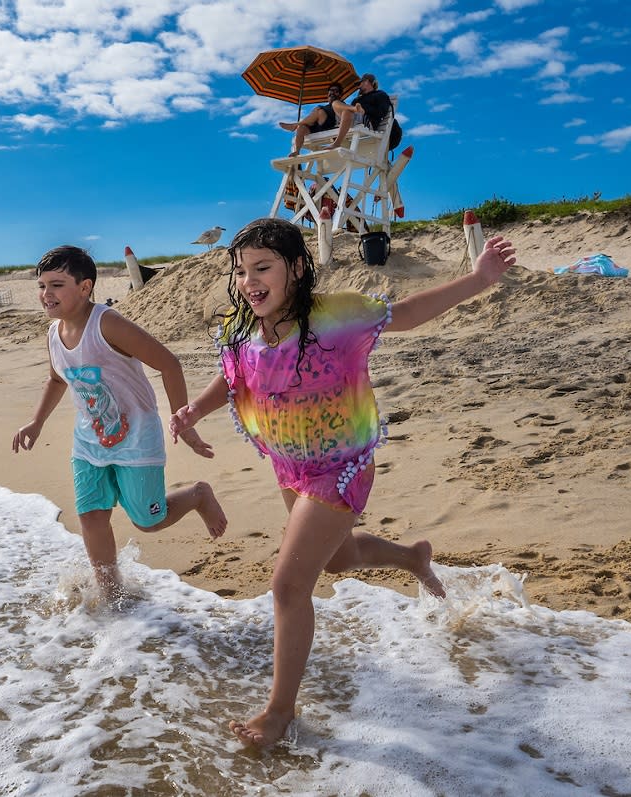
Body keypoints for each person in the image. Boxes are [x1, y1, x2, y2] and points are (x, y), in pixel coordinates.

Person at [169, 217, 519, 749]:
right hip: (289, 463)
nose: (249, 281)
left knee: (288, 585)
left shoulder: (337, 316)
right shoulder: (240, 328)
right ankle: (410, 558)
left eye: (263, 268)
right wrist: (194, 407)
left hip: (342, 465)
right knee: (335, 559)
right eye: (241, 271)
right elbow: (233, 377)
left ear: (297, 268)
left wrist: (479, 279)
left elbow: (407, 313)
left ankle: (280, 710)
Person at [12, 245, 229, 603]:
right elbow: (56, 379)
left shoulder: (106, 323)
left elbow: (170, 364)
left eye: (56, 285)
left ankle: (197, 495)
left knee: (148, 520)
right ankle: (111, 592)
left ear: (85, 288)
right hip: (89, 443)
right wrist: (36, 423)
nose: (46, 294)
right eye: (41, 286)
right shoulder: (53, 333)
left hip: (137, 440)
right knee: (92, 516)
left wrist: (184, 423)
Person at [278, 83, 355, 155]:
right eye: (331, 90)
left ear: (340, 95)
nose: (333, 93)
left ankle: (295, 125)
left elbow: (343, 116)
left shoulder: (339, 104)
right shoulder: (323, 107)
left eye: (336, 91)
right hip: (317, 126)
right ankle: (297, 151)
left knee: (319, 111)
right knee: (301, 128)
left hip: (329, 125)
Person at [349, 73, 401, 151]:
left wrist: (363, 109)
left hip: (367, 123)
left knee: (347, 110)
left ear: (367, 82)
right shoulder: (356, 100)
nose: (358, 87)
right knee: (338, 106)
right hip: (352, 121)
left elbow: (381, 112)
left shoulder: (379, 95)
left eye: (360, 83)